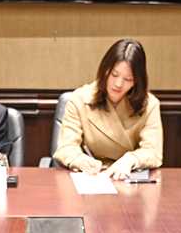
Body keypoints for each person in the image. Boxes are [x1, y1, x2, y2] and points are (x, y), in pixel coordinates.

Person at [53, 38, 162, 180]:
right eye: (114, 75)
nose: (118, 84)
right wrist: (80, 160)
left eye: (128, 79)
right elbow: (65, 148)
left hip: (129, 177)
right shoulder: (79, 99)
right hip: (91, 176)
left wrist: (130, 160)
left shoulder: (149, 105)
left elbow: (153, 152)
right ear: (104, 70)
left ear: (137, 81)